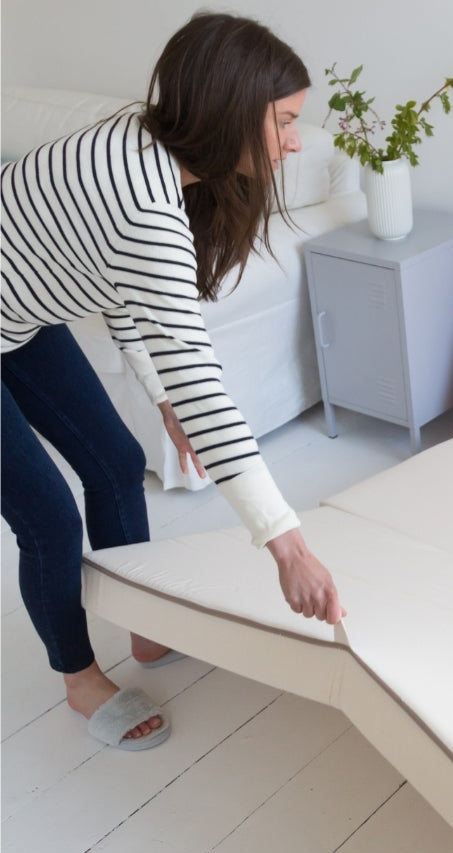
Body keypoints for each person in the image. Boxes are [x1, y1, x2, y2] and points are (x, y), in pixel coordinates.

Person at [0, 13, 344, 750]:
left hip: (17, 315)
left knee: (119, 463)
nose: (293, 141)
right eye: (284, 121)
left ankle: (147, 623)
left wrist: (160, 397)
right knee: (49, 518)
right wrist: (288, 545)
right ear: (228, 106)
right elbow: (202, 379)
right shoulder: (144, 200)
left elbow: (119, 287)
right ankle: (79, 676)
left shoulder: (152, 156)